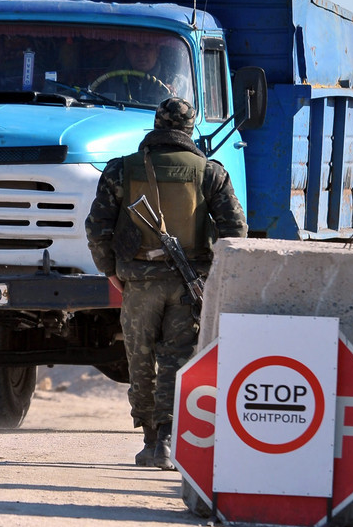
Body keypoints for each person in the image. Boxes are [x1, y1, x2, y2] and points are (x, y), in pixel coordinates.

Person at [85, 97, 247, 469]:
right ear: (190, 129)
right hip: (188, 284)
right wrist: (214, 277)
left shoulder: (121, 170)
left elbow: (97, 227)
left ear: (157, 125)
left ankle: (149, 438)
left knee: (139, 358)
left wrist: (109, 268)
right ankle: (168, 440)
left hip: (138, 282)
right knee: (178, 358)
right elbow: (235, 231)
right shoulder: (210, 172)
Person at [90, 40, 181, 106]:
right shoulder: (111, 80)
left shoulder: (177, 82)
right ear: (127, 51)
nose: (141, 53)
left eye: (148, 46)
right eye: (135, 47)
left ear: (157, 51)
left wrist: (170, 96)